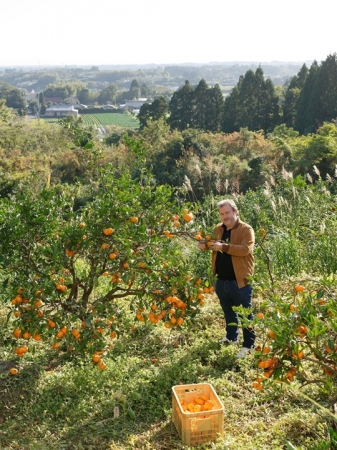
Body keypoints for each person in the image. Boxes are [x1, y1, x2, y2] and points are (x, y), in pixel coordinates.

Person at [198, 199, 255, 358]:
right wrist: (204, 245)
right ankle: (231, 338)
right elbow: (211, 243)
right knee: (228, 312)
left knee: (245, 314)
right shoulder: (218, 229)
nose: (225, 217)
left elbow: (245, 250)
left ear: (235, 212)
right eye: (222, 214)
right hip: (221, 280)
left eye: (227, 213)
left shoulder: (246, 229)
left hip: (240, 280)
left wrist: (224, 247)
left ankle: (249, 345)